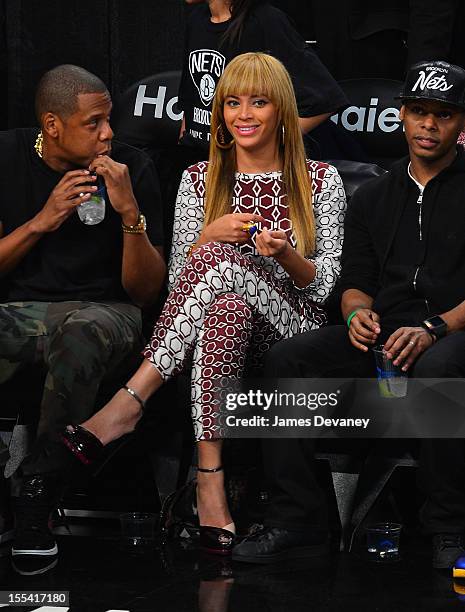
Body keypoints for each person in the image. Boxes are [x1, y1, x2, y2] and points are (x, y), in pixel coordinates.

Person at [49, 52, 346, 556]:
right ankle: (211, 482)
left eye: (258, 102)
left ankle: (129, 401)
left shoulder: (320, 180)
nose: (244, 114)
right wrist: (210, 233)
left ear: (281, 111)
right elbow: (184, 292)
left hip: (292, 331)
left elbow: (323, 290)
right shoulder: (198, 179)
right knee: (223, 305)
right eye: (232, 102)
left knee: (214, 261)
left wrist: (287, 254)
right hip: (218, 333)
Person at [233, 60, 465, 568]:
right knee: (289, 358)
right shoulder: (374, 196)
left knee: (438, 367)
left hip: (453, 329)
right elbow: (354, 282)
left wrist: (436, 327)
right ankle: (296, 519)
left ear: (460, 124)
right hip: (386, 336)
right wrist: (358, 313)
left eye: (443, 114)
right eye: (419, 111)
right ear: (401, 116)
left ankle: (449, 525)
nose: (429, 124)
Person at [0, 65, 166, 567]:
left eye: (109, 120)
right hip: (22, 310)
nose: (108, 133)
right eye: (93, 123)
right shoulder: (7, 155)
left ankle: (39, 493)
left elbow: (144, 293)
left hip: (107, 312)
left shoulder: (132, 167)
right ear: (53, 126)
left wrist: (129, 214)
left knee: (81, 332)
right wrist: (41, 221)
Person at [178, 0, 348, 159]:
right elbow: (190, 99)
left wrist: (265, 146)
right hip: (198, 161)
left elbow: (325, 99)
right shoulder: (196, 19)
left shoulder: (266, 21)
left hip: (244, 169)